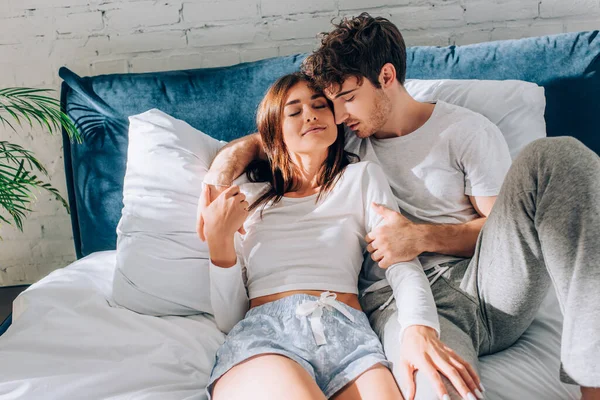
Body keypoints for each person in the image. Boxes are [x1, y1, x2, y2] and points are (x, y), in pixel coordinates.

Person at [198, 13, 600, 400]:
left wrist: (421, 236)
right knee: (439, 389)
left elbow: (508, 231)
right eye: (331, 103)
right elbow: (277, 135)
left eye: (347, 99)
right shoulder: (347, 140)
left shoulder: (466, 131)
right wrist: (221, 170)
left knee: (558, 156)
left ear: (386, 77)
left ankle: (593, 383)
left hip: (487, 281)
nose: (336, 115)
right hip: (401, 301)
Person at [201, 72, 482, 400]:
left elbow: (400, 259)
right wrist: (219, 243)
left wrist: (420, 328)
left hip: (349, 335)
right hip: (268, 335)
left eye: (319, 105)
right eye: (294, 111)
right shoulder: (250, 199)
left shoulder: (360, 177)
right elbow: (228, 318)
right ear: (273, 135)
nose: (310, 114)